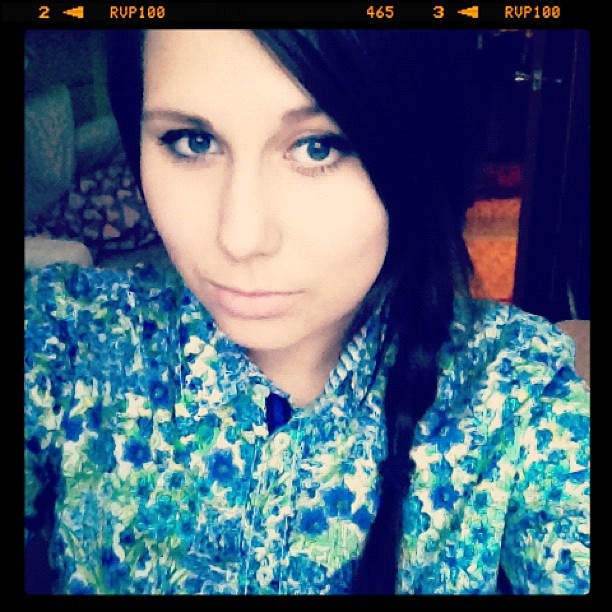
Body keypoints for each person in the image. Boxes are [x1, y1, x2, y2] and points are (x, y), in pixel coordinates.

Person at [24, 29, 590, 595]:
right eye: (192, 141)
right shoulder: (66, 340)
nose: (240, 237)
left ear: (422, 151)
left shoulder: (517, 393)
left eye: (318, 146)